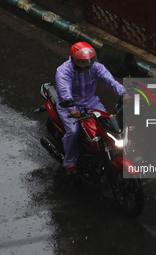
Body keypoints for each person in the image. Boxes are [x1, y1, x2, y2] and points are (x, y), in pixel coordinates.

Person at [56, 41, 126, 175]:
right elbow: (64, 92)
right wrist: (72, 109)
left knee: (108, 127)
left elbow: (110, 81)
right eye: (82, 63)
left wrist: (123, 92)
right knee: (73, 131)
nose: (87, 65)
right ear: (73, 59)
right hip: (70, 106)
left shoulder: (95, 67)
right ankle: (69, 162)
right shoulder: (63, 71)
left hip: (91, 102)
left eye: (89, 61)